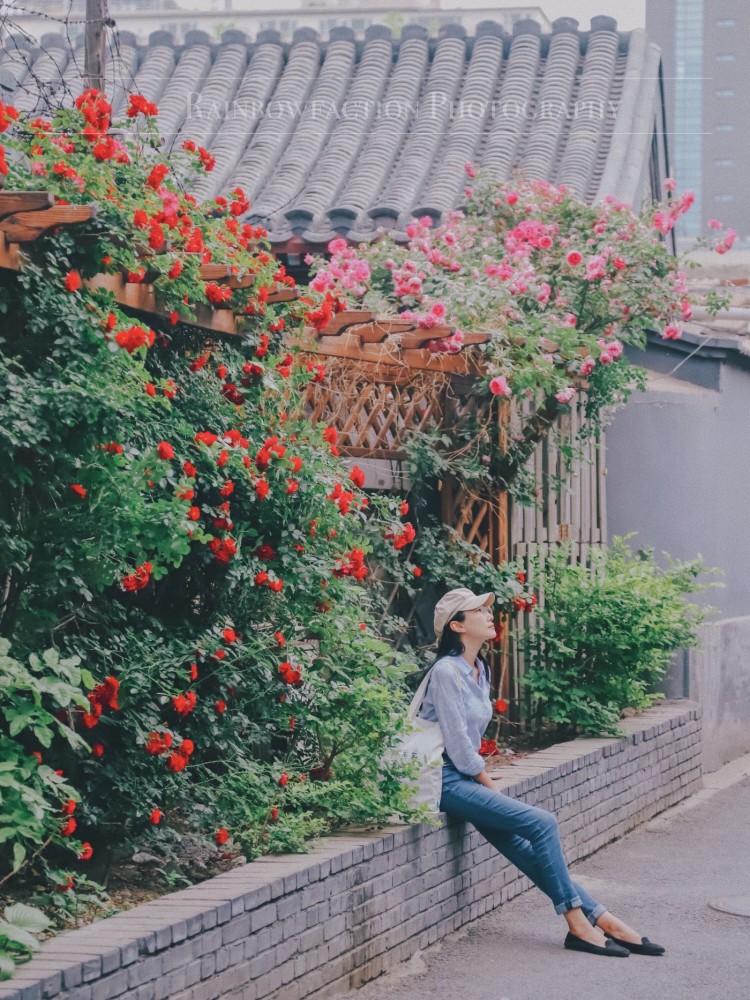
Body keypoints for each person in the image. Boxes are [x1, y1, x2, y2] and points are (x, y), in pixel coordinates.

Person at [417, 586, 665, 958]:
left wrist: (479, 777)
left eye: (488, 609)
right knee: (541, 823)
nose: (489, 615)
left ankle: (603, 919)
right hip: (444, 778)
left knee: (518, 843)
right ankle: (578, 921)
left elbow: (470, 739)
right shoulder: (446, 672)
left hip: (463, 777)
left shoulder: (478, 669)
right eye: (479, 612)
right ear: (457, 625)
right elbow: (457, 744)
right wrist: (486, 782)